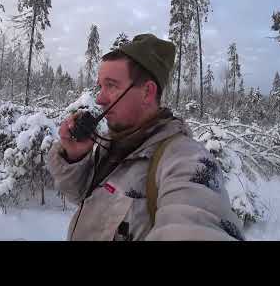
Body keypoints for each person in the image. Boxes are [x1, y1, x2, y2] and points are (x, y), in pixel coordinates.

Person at [47, 33, 244, 241]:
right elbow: (84, 196)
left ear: (147, 92)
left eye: (111, 86)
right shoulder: (116, 144)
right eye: (100, 86)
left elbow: (197, 222)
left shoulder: (186, 161)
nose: (99, 98)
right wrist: (75, 157)